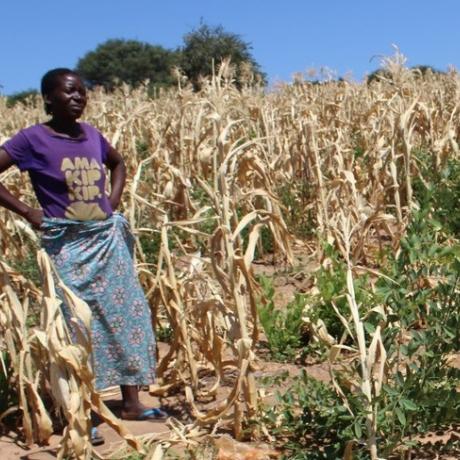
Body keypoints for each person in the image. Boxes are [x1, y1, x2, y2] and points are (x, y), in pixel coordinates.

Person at [0, 68, 167, 443]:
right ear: (48, 99)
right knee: (77, 325)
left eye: (82, 93)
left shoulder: (92, 135)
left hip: (106, 241)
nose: (78, 98)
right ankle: (84, 411)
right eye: (69, 92)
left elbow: (118, 163)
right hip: (67, 246)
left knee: (124, 316)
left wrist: (112, 201)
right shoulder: (32, 139)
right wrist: (27, 211)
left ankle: (131, 403)